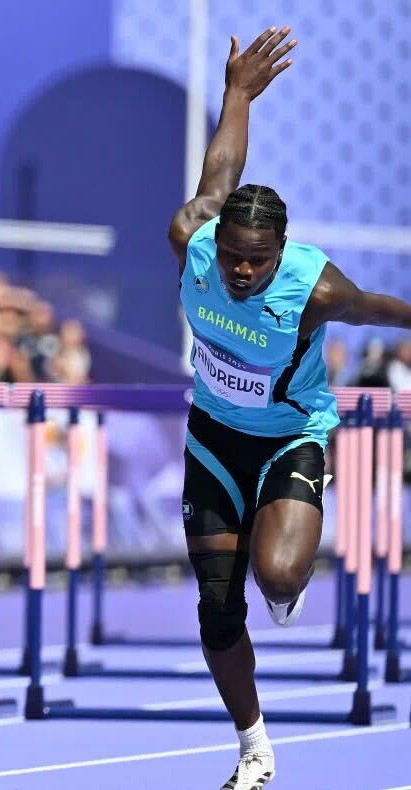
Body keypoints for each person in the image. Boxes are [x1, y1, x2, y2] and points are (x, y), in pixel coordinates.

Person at [168, 26, 411, 789]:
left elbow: (378, 308)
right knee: (216, 607)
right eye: (233, 253)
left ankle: (294, 546)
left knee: (275, 581)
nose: (240, 270)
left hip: (288, 440)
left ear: (280, 252)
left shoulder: (317, 290)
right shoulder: (193, 239)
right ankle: (254, 749)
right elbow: (220, 173)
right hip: (212, 435)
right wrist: (237, 92)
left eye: (256, 259)